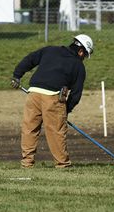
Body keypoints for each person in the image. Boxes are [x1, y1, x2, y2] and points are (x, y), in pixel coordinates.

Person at [11, 34, 94, 168]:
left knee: (29, 129)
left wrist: (17, 76)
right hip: (53, 97)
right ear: (81, 51)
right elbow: (76, 95)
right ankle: (62, 164)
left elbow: (30, 59)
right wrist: (66, 110)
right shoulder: (78, 66)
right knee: (56, 132)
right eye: (84, 55)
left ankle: (26, 163)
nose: (83, 58)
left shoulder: (50, 50)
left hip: (33, 94)